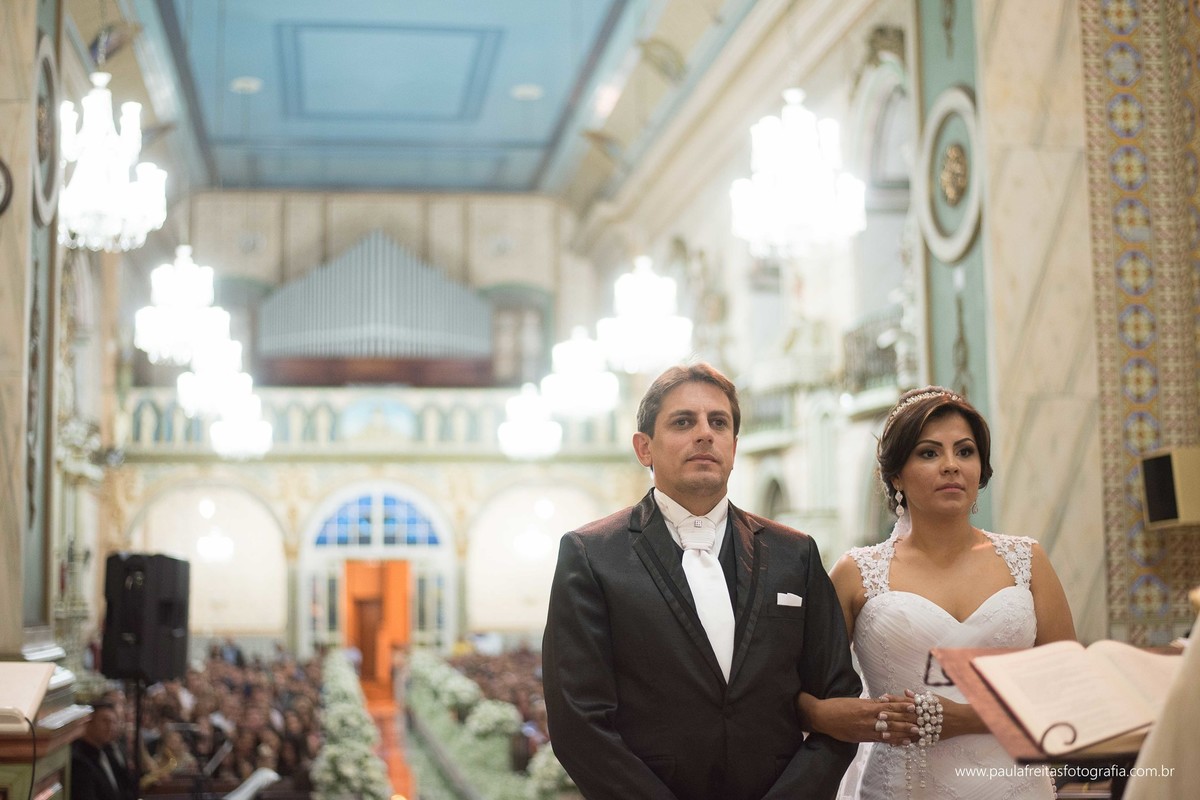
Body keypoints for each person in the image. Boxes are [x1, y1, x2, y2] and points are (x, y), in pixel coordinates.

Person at [542, 362, 862, 800]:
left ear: (734, 444)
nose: (704, 433)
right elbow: (578, 723)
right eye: (682, 422)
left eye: (719, 422)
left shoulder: (796, 553)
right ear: (644, 448)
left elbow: (838, 698)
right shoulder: (592, 554)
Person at [796, 386, 1076, 799]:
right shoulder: (857, 573)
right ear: (896, 475)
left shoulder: (1027, 560)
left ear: (981, 469)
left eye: (965, 452)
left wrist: (965, 719)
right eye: (929, 453)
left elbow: (1068, 686)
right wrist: (823, 715)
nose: (951, 466)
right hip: (902, 786)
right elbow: (795, 691)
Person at [71, 701, 138, 800]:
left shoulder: (108, 752)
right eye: (105, 721)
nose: (110, 727)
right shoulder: (80, 761)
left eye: (113, 722)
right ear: (89, 723)